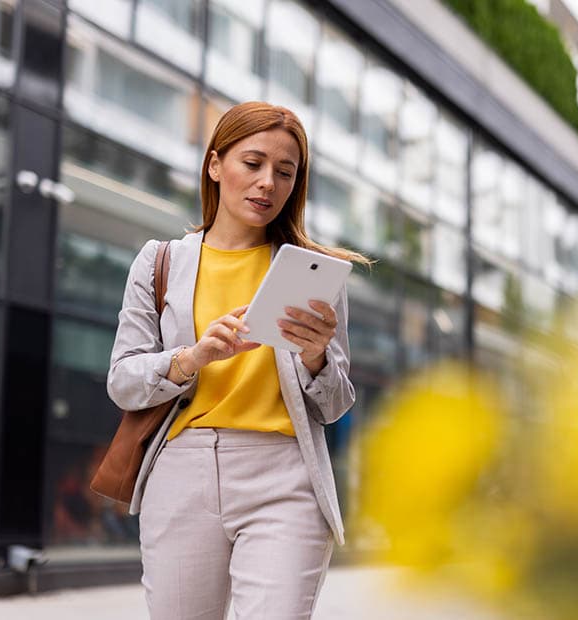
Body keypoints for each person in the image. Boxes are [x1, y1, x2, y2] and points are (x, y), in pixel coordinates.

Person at [106, 101, 369, 619]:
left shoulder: (313, 274)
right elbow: (123, 381)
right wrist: (193, 357)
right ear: (215, 164)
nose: (268, 182)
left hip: (285, 475)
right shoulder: (162, 261)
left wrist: (316, 355)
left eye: (285, 172)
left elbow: (336, 404)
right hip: (182, 470)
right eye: (253, 164)